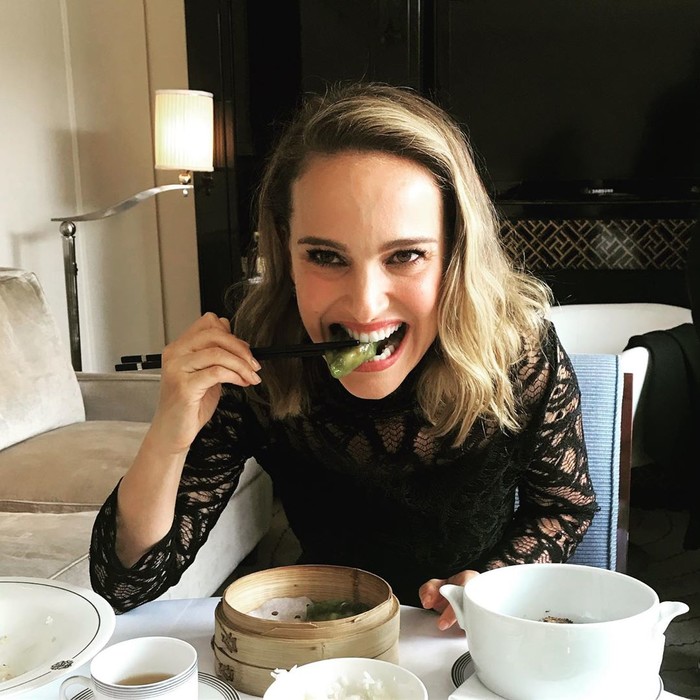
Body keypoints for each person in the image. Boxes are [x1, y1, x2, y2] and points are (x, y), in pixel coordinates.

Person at [89, 82, 596, 629]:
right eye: (326, 257)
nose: (364, 305)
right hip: (320, 634)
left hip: (469, 636)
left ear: (455, 252)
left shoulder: (518, 352)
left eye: (406, 255)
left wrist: (492, 581)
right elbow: (126, 584)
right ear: (285, 248)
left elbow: (563, 509)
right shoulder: (255, 360)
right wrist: (168, 433)